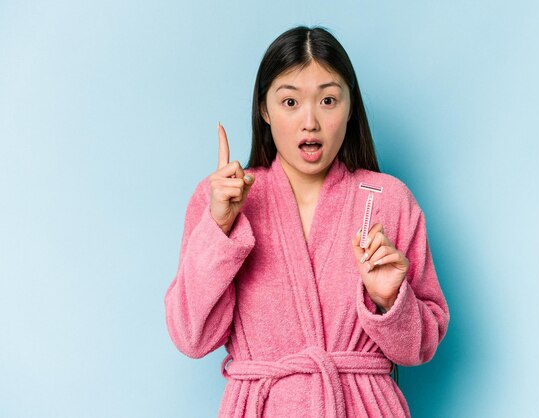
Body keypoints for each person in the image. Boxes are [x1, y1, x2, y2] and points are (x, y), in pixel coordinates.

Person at [164, 26, 450, 417]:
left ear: (351, 107)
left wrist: (390, 301)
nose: (310, 121)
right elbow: (191, 337)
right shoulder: (221, 200)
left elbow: (420, 347)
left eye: (329, 100)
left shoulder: (388, 199)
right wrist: (219, 230)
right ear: (264, 109)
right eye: (290, 102)